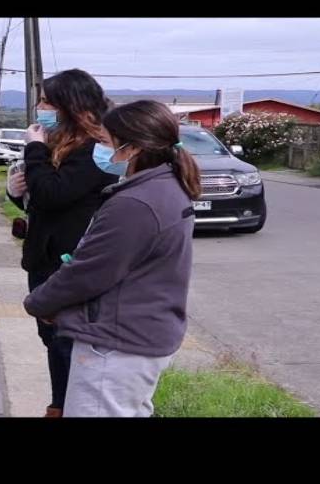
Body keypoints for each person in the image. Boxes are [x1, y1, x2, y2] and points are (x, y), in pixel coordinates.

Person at [23, 100, 201, 417]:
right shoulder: (164, 186)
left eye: (105, 142)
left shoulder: (136, 202)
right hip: (138, 334)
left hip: (117, 344)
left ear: (132, 148)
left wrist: (39, 303)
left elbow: (89, 271)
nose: (99, 149)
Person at [6, 69, 118, 417]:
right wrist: (16, 193)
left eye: (47, 101)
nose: (40, 107)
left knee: (66, 343)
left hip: (70, 264)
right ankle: (60, 405)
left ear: (71, 106)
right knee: (53, 341)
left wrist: (35, 149)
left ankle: (68, 408)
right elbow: (43, 197)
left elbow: (55, 193)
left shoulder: (98, 150)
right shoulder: (61, 141)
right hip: (44, 259)